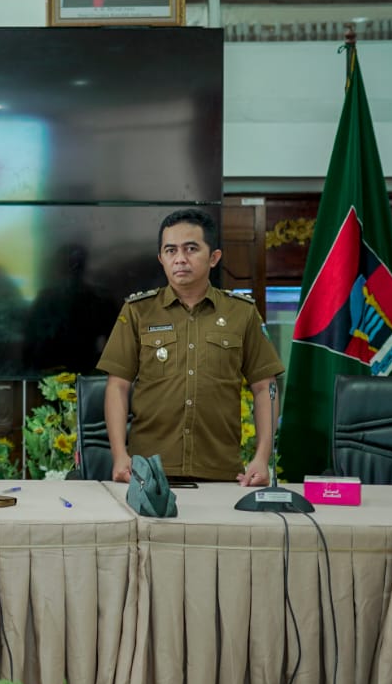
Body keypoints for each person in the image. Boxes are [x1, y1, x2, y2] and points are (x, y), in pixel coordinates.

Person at [97, 208, 284, 486]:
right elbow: (117, 386)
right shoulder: (138, 311)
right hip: (149, 472)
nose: (180, 259)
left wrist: (262, 456)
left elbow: (264, 387)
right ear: (161, 259)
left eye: (191, 249)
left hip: (221, 471)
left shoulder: (241, 313)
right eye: (171, 251)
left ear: (214, 258)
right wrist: (119, 454)